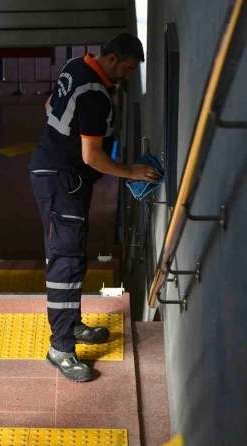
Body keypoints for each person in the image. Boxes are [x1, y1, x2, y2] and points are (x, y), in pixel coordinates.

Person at [29, 33, 159, 382]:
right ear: (113, 59)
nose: (128, 77)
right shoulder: (96, 94)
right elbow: (92, 155)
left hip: (57, 171)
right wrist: (130, 171)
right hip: (62, 178)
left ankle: (71, 325)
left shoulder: (75, 66)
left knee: (73, 257)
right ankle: (61, 349)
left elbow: (49, 106)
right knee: (64, 262)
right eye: (128, 69)